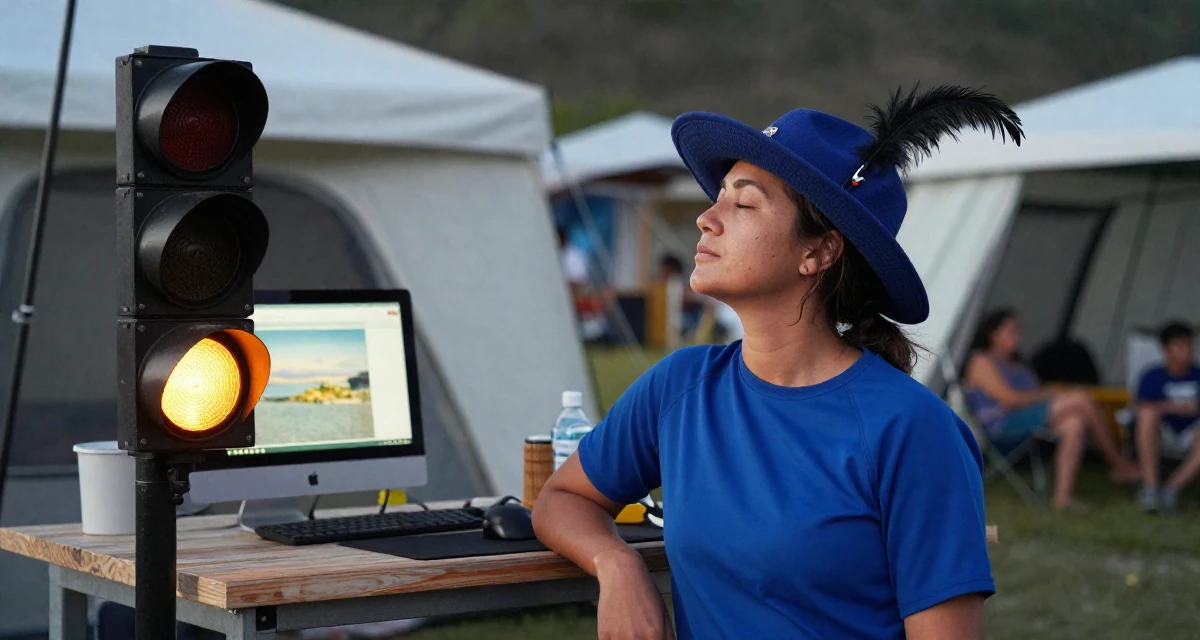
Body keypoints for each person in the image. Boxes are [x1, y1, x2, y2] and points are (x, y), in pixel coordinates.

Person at [533, 85, 1026, 639]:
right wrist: (616, 565)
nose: (706, 218)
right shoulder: (680, 387)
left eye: (742, 203)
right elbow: (563, 498)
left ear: (819, 251)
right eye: (718, 195)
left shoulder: (912, 431)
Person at [963, 309, 1140, 510]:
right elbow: (1010, 399)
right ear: (992, 334)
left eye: (1018, 330)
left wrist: (1038, 396)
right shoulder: (981, 361)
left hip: (1026, 423)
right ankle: (1118, 464)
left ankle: (1061, 499)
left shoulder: (1020, 366)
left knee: (1074, 422)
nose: (1018, 335)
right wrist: (1045, 394)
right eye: (1011, 330)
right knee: (1081, 399)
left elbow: (1027, 398)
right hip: (1001, 429)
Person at [1133, 321, 1200, 511]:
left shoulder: (1198, 375)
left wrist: (1170, 407)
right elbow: (1143, 406)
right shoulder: (1152, 376)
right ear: (1166, 350)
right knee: (1146, 416)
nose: (1187, 350)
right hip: (1164, 431)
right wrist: (1174, 407)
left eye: (1189, 345)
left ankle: (1172, 488)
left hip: (1192, 431)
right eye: (1180, 345)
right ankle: (1151, 488)